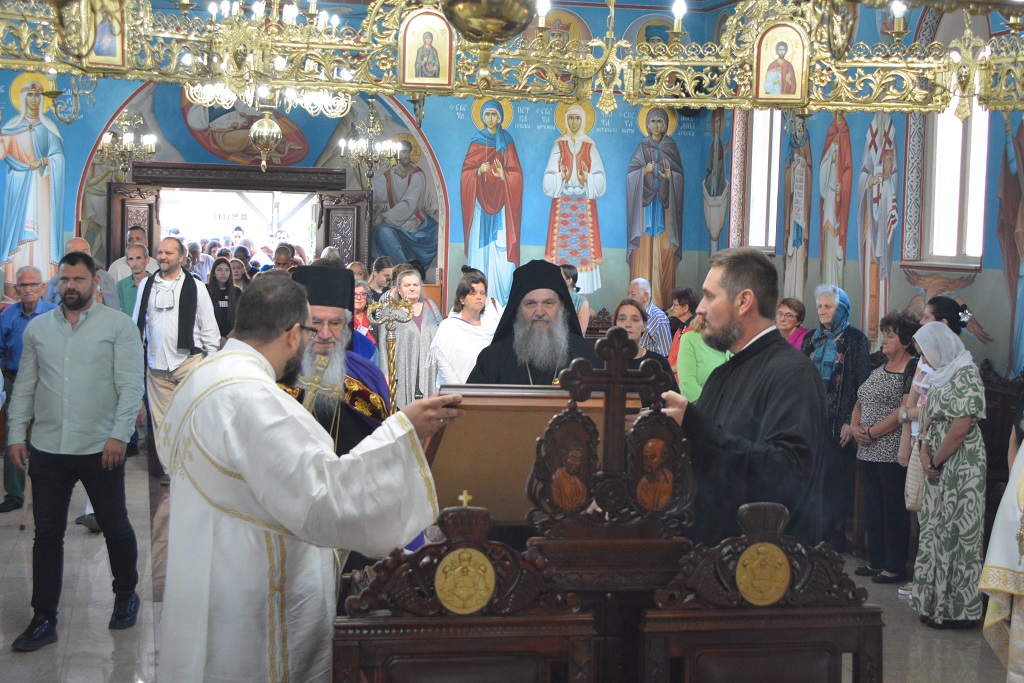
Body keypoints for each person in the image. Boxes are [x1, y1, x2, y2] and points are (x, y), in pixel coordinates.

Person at [157, 274, 463, 682]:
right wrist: (404, 429)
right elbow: (325, 496)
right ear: (291, 334)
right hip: (248, 595)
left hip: (203, 570)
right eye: (309, 327)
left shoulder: (205, 376)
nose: (316, 338)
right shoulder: (252, 398)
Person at [6, 251, 144, 651]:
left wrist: (120, 435)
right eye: (64, 279)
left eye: (79, 279)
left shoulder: (117, 326)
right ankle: (44, 617)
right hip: (49, 447)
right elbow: (26, 386)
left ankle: (125, 594)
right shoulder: (39, 329)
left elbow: (130, 386)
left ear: (94, 283)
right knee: (47, 534)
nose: (70, 286)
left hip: (100, 446)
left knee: (115, 525)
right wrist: (16, 434)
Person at [661, 247, 827, 545]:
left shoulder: (793, 374)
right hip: (709, 553)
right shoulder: (722, 374)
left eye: (709, 296)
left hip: (763, 560)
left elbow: (785, 474)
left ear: (743, 301)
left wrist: (696, 426)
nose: (700, 309)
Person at [911, 321, 987, 629]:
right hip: (937, 458)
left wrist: (935, 459)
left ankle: (956, 610)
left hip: (961, 462)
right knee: (934, 528)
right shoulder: (939, 374)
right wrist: (924, 451)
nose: (924, 361)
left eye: (925, 354)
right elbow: (928, 417)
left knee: (956, 528)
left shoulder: (966, 374)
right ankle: (932, 604)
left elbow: (960, 429)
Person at [132, 237, 220, 469]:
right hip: (156, 367)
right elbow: (137, 325)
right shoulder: (146, 285)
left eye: (169, 253)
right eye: (160, 252)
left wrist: (211, 367)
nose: (163, 256)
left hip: (189, 364)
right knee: (163, 425)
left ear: (181, 257)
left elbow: (209, 329)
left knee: (190, 421)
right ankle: (172, 472)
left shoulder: (196, 287)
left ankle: (192, 469)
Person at [847, 310, 919, 585]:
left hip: (891, 450)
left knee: (893, 510)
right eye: (884, 334)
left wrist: (872, 432)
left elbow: (904, 410)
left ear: (905, 340)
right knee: (874, 508)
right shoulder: (880, 366)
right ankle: (876, 560)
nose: (884, 340)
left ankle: (894, 566)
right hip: (867, 448)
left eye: (890, 335)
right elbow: (861, 399)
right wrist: (855, 427)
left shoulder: (911, 368)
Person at [289, 266, 391, 455]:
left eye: (335, 323)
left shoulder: (367, 376)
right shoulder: (278, 376)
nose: (325, 334)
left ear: (346, 327)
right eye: (315, 322)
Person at [802, 283, 870, 552]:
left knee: (835, 481)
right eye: (819, 306)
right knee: (811, 477)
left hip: (839, 423)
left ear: (841, 309)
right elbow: (802, 376)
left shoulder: (855, 339)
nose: (822, 311)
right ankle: (812, 532)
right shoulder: (811, 338)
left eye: (828, 306)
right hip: (812, 420)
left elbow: (862, 384)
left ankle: (833, 537)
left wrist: (850, 422)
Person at [468, 259, 600, 385]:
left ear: (561, 307)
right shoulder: (493, 358)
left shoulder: (587, 356)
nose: (540, 312)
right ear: (518, 309)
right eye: (530, 304)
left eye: (548, 303)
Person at [0, 265, 56, 513]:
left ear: (43, 288)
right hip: (16, 380)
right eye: (22, 285)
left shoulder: (55, 314)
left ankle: (49, 490)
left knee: (48, 436)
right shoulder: (8, 315)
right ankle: (15, 494)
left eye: (33, 284)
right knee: (15, 434)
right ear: (15, 289)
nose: (28, 289)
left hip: (48, 381)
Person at [460, 100, 523, 306]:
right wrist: (479, 171)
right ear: (481, 117)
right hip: (480, 206)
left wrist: (503, 174)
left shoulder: (507, 141)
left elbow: (517, 175)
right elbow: (466, 174)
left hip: (502, 208)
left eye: (494, 114)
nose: (490, 118)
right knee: (481, 255)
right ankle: (477, 300)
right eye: (486, 114)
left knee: (501, 255)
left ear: (500, 117)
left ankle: (501, 301)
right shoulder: (476, 141)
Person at [0, 78, 64, 279]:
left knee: (42, 232)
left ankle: (44, 280)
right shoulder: (12, 127)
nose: (34, 100)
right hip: (19, 186)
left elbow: (59, 157)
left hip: (42, 185)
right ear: (23, 98)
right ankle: (14, 281)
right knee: (18, 228)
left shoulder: (48, 127)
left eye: (37, 95)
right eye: (30, 95)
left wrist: (44, 160)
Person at [542, 104, 607, 293]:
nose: (573, 122)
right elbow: (547, 180)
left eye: (577, 118)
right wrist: (560, 176)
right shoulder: (559, 145)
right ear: (566, 120)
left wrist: (588, 178)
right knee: (560, 255)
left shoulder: (589, 145)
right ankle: (560, 293)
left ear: (583, 120)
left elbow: (601, 179)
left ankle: (582, 296)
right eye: (570, 118)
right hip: (563, 205)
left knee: (584, 253)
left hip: (583, 207)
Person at [626, 107, 684, 308]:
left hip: (665, 209)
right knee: (643, 250)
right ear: (647, 124)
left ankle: (661, 300)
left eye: (660, 121)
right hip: (645, 209)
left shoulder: (671, 146)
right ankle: (638, 301)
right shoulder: (642, 147)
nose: (656, 125)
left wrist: (670, 177)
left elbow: (679, 177)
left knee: (664, 250)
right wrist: (643, 171)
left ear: (666, 125)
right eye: (653, 121)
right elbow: (630, 177)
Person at [377, 268, 441, 410]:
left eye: (415, 285)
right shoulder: (390, 311)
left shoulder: (431, 307)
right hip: (403, 372)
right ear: (399, 289)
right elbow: (383, 347)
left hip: (430, 371)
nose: (412, 288)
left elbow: (442, 338)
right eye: (407, 285)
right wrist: (386, 375)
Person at [371, 139, 439, 267]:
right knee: (380, 233)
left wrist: (383, 216)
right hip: (395, 221)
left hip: (413, 222)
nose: (407, 155)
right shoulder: (390, 174)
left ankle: (405, 269)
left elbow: (409, 204)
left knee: (383, 231)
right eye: (403, 152)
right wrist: (367, 189)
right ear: (397, 154)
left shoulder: (417, 175)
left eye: (408, 152)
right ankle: (399, 267)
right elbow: (375, 191)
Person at [431, 269, 494, 386]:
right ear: (462, 298)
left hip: (488, 390)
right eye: (473, 293)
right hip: (455, 390)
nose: (479, 297)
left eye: (482, 293)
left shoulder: (492, 325)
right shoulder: (449, 327)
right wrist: (459, 391)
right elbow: (444, 362)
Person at [611, 298, 679, 400]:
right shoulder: (605, 361)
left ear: (644, 326)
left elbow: (674, 401)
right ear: (615, 324)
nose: (628, 324)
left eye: (635, 319)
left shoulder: (658, 362)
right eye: (622, 319)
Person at [819, 111, 852, 287]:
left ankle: (836, 284)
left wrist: (842, 185)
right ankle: (827, 280)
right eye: (836, 112)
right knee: (827, 235)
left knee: (836, 237)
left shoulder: (845, 133)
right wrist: (830, 159)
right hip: (829, 197)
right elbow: (823, 166)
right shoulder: (830, 134)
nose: (839, 115)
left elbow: (848, 169)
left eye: (841, 112)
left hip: (838, 197)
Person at [45, 237, 120, 311]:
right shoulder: (57, 279)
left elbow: (113, 309)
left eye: (84, 252)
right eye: (75, 253)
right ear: (66, 256)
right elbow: (48, 308)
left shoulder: (104, 277)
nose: (81, 256)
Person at [676, 314, 727, 402]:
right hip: (704, 404)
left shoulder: (734, 339)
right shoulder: (690, 338)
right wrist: (708, 404)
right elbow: (687, 382)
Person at [627, 278, 672, 356]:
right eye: (628, 293)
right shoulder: (629, 313)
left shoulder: (659, 318)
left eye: (633, 294)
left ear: (646, 296)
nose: (629, 297)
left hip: (649, 362)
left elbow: (665, 353)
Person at [206, 256, 241, 346]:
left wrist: (227, 338)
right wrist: (217, 338)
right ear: (213, 272)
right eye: (219, 270)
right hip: (209, 338)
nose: (223, 273)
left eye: (227, 270)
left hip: (232, 338)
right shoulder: (205, 289)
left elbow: (241, 317)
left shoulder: (237, 291)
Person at [666, 287, 700, 381]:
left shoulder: (696, 330)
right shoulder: (680, 328)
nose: (672, 308)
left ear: (685, 308)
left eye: (675, 305)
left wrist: (667, 370)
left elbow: (690, 362)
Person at [115, 243, 151, 317]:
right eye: (131, 259)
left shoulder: (156, 283)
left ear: (147, 260)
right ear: (127, 262)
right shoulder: (121, 286)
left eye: (138, 258)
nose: (134, 264)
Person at [560, 263, 591, 336]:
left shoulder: (581, 301)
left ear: (569, 281)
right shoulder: (552, 298)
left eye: (559, 277)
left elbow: (581, 332)